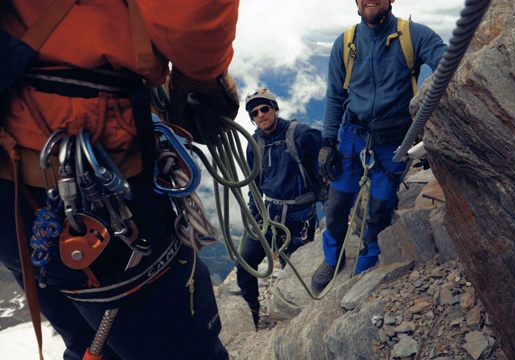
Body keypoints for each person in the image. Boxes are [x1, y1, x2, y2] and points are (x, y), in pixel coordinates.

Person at [0, 1, 239, 359]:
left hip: (14, 199)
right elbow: (190, 12)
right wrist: (203, 72)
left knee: (87, 342)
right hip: (100, 180)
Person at [311, 0, 447, 292]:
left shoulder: (414, 36)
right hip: (352, 136)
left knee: (379, 210)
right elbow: (335, 96)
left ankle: (365, 265)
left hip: (392, 142)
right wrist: (327, 142)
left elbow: (448, 63)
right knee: (336, 206)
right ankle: (332, 258)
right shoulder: (346, 42)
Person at [236, 88, 322, 329]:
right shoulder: (255, 145)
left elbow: (326, 153)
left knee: (291, 270)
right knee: (245, 262)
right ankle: (251, 314)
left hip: (298, 218)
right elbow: (254, 183)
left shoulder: (301, 134)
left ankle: (296, 319)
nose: (261, 115)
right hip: (268, 215)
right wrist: (254, 214)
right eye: (255, 112)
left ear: (274, 108)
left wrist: (332, 191)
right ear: (252, 119)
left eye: (265, 108)